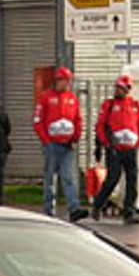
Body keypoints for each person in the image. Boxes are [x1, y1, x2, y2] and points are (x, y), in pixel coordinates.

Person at [92, 72, 139, 222]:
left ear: (128, 90)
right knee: (113, 178)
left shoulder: (135, 105)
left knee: (132, 179)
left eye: (122, 88)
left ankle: (129, 211)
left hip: (130, 148)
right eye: (117, 88)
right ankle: (98, 205)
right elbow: (100, 125)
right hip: (114, 148)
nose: (118, 91)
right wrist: (106, 142)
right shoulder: (109, 105)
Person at [32, 66, 85, 220]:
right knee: (50, 177)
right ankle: (49, 208)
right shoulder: (46, 97)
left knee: (68, 176)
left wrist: (75, 138)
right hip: (52, 144)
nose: (67, 84)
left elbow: (78, 119)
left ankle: (74, 208)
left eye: (69, 81)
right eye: (64, 81)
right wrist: (46, 140)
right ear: (57, 81)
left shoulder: (72, 99)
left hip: (68, 144)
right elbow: (38, 120)